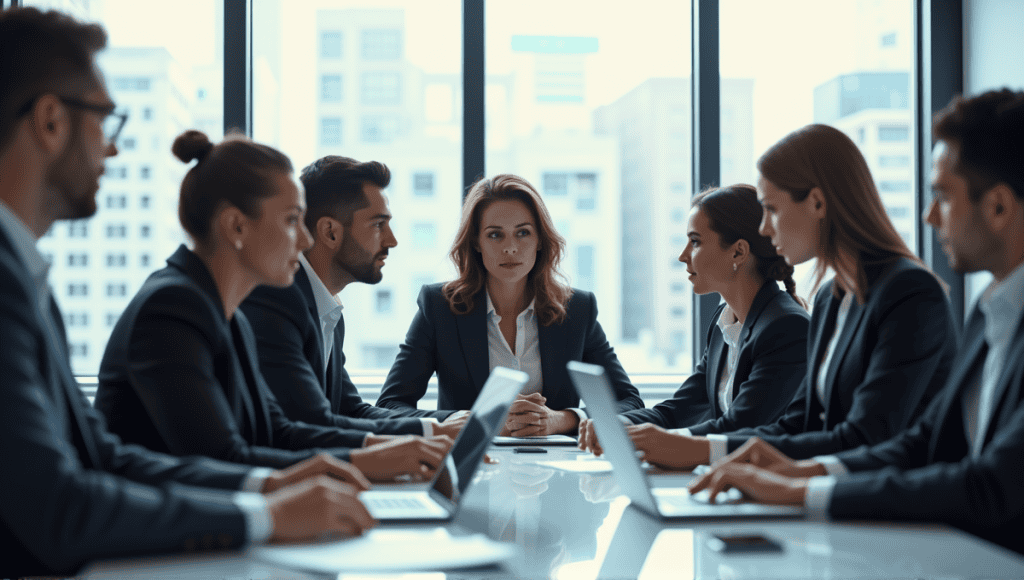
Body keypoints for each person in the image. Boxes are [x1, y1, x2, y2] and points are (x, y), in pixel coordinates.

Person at [0, 8, 373, 576]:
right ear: (50, 121)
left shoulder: (28, 279)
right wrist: (264, 514)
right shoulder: (156, 303)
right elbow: (60, 507)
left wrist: (270, 486)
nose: (112, 149)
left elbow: (102, 456)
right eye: (105, 120)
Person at [688, 88, 1024, 556]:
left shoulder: (916, 293)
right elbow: (920, 442)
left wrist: (799, 489)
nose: (929, 216)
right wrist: (797, 472)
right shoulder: (990, 312)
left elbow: (989, 484)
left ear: (1000, 207)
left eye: (943, 196)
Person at [95, 129, 451, 482]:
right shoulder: (173, 306)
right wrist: (365, 459)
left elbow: (277, 432)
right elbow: (222, 457)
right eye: (292, 220)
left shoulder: (228, 315)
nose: (306, 239)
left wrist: (383, 448)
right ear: (236, 226)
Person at [620, 123, 958, 469]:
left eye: (772, 209)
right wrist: (697, 449)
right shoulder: (831, 298)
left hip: (891, 512)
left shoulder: (909, 292)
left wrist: (698, 450)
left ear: (816, 202)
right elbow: (796, 425)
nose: (765, 228)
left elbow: (867, 436)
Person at [376, 174, 643, 436]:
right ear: (476, 243)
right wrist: (472, 422)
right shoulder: (440, 307)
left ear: (540, 240)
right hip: (475, 466)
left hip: (559, 465)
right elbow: (390, 405)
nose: (511, 248)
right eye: (495, 235)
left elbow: (629, 403)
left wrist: (560, 420)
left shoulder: (576, 310)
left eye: (523, 233)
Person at [240, 155, 467, 440]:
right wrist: (432, 430)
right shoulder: (278, 301)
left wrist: (454, 421)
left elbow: (351, 410)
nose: (392, 241)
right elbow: (309, 422)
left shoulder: (327, 309)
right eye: (378, 225)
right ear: (330, 232)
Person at [578, 184, 810, 453]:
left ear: (738, 252)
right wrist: (619, 422)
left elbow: (738, 428)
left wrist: (657, 441)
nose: (683, 255)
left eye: (695, 241)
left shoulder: (787, 327)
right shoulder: (724, 322)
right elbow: (678, 411)